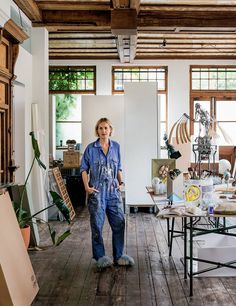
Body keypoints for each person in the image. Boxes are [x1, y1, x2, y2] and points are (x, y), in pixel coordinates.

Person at [80, 118, 135, 269]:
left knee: (119, 223)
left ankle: (119, 255)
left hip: (113, 192)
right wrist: (86, 187)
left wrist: (122, 183)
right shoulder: (91, 149)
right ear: (97, 131)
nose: (103, 131)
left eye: (106, 128)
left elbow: (119, 168)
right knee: (97, 225)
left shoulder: (116, 147)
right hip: (97, 192)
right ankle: (100, 257)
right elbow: (83, 169)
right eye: (100, 128)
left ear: (110, 129)